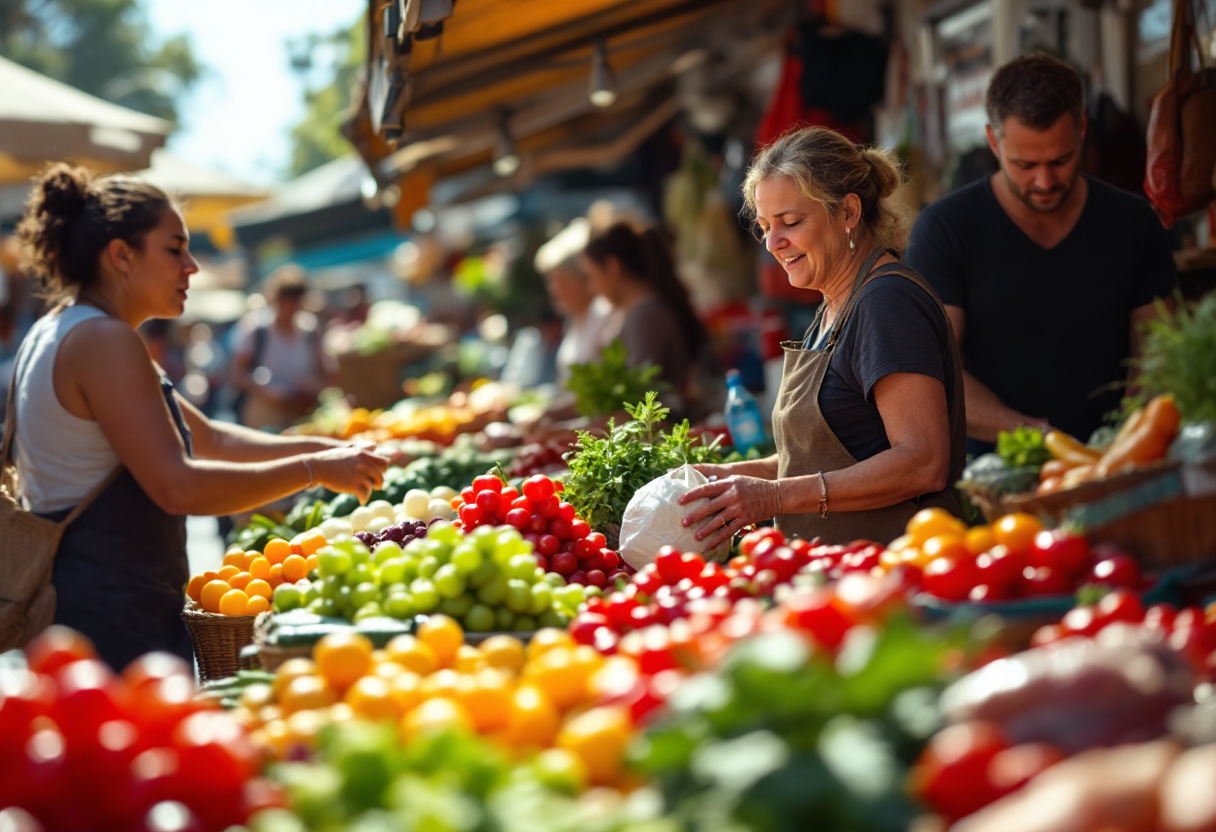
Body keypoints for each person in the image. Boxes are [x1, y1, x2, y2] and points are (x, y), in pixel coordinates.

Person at [9, 164, 389, 671]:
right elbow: (178, 487)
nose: (192, 266)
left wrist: (328, 452)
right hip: (107, 615)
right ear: (121, 255)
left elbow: (209, 438)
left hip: (94, 601)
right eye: (174, 249)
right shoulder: (104, 340)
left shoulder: (64, 327)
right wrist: (315, 473)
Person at [678, 126, 967, 548]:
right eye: (764, 227)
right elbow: (823, 458)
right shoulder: (833, 306)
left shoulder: (887, 302)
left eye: (791, 222)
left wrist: (776, 496)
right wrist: (727, 478)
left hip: (901, 570)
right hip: (838, 575)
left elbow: (923, 462)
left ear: (848, 212)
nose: (774, 243)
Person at [906, 54, 1177, 452]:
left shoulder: (1134, 222)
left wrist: (1126, 444)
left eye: (1061, 160)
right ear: (994, 142)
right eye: (1025, 164)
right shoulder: (945, 230)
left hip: (1118, 460)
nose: (1045, 181)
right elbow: (936, 371)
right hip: (994, 473)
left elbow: (1158, 350)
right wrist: (1036, 435)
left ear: (1082, 130)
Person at [581, 221, 705, 415]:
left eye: (591, 277)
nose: (591, 288)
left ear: (613, 267)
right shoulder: (640, 312)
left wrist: (571, 430)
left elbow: (638, 403)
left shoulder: (646, 316)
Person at [231, 265, 333, 431]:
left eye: (296, 303)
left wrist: (314, 387)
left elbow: (325, 371)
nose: (290, 309)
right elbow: (237, 374)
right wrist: (267, 391)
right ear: (276, 300)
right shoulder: (257, 329)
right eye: (286, 302)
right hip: (263, 415)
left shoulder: (310, 329)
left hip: (302, 413)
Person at [536, 218, 622, 386]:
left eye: (560, 281)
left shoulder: (604, 314)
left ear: (579, 278)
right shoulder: (573, 320)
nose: (554, 290)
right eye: (550, 282)